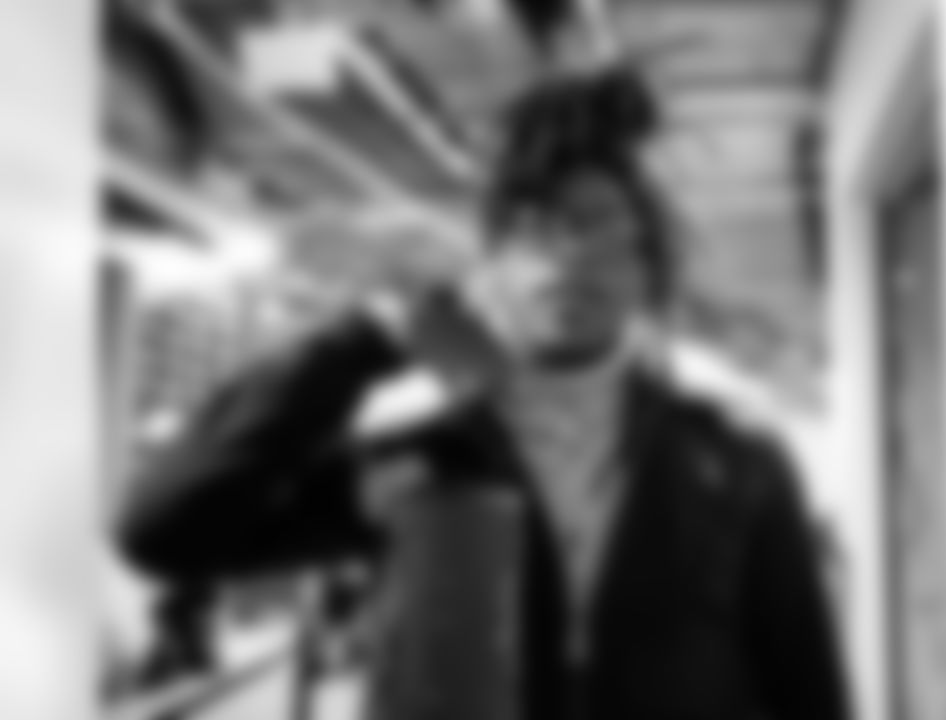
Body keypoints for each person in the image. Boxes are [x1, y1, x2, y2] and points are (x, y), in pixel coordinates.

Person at [116, 67, 851, 720]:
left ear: (647, 270)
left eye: (602, 227)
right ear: (489, 267)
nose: (570, 255)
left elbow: (808, 690)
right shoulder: (422, 456)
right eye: (536, 229)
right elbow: (164, 531)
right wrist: (365, 337)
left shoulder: (737, 464)